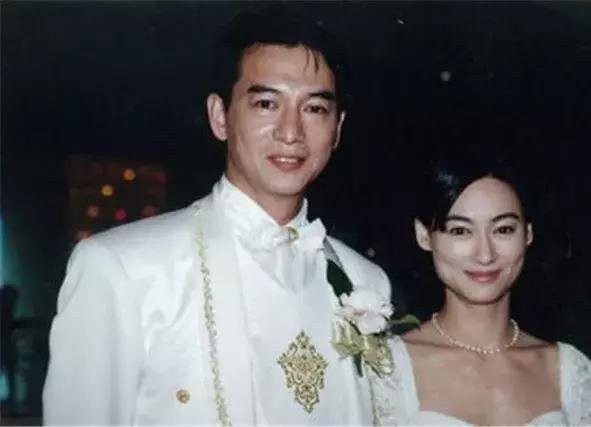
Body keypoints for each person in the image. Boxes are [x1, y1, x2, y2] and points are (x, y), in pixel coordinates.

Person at [43, 6, 397, 425]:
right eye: (266, 103)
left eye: (315, 109)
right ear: (219, 116)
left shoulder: (365, 282)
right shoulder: (122, 268)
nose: (290, 132)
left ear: (337, 128)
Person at [391, 151, 591, 425]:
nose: (485, 255)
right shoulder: (387, 368)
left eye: (503, 230)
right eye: (460, 231)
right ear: (424, 235)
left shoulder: (571, 373)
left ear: (527, 233)